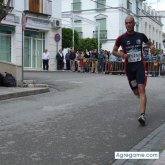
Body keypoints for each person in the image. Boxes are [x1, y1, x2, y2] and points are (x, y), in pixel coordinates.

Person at [112, 15, 155, 126]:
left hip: (140, 66)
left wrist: (152, 47)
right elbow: (114, 51)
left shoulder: (141, 36)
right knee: (136, 91)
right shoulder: (121, 38)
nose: (128, 25)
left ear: (134, 23)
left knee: (141, 89)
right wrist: (123, 55)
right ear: (125, 24)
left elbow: (149, 43)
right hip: (129, 69)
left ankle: (142, 115)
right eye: (126, 23)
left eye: (130, 22)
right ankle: (142, 98)